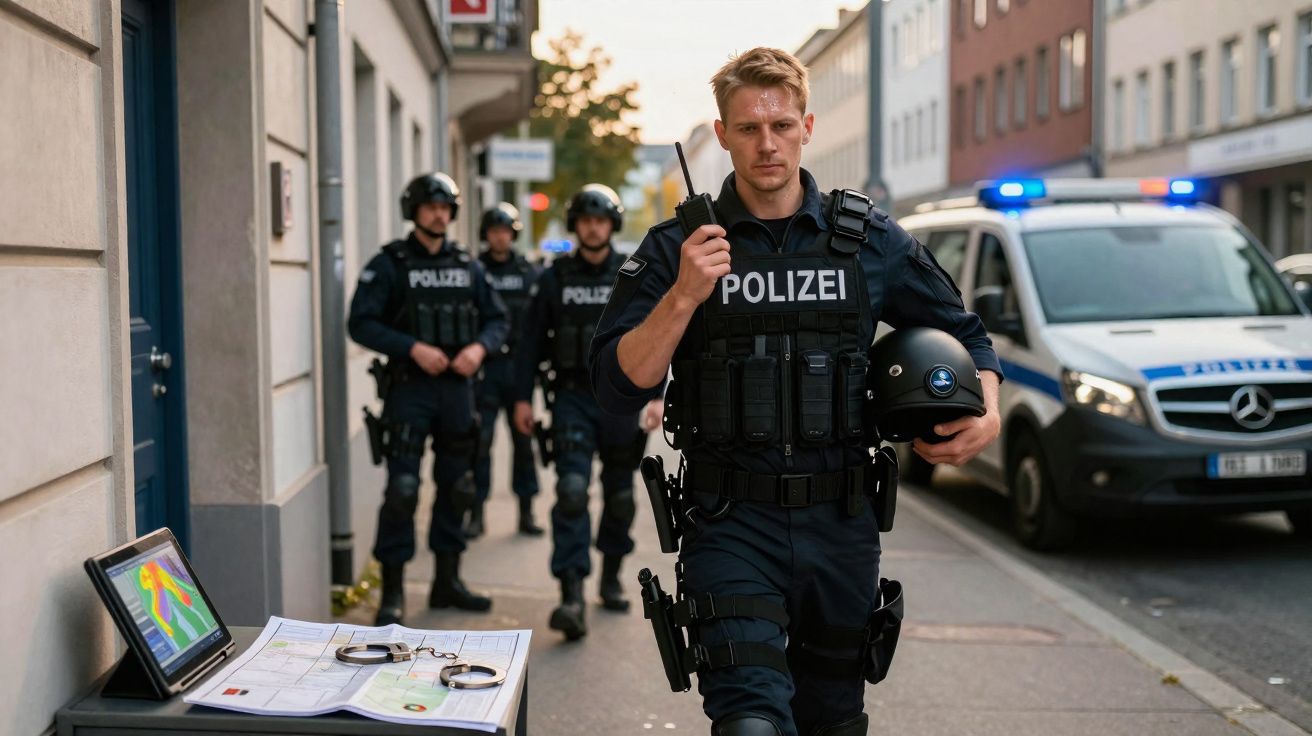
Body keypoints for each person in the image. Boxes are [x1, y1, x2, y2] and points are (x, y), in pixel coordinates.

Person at [588, 49, 1003, 736]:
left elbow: (967, 334)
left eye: (781, 124)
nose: (767, 143)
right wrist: (685, 296)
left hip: (841, 524)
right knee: (751, 721)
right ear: (721, 135)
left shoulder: (867, 240)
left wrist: (984, 411)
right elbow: (613, 386)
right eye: (748, 128)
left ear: (807, 125)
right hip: (729, 523)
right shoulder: (679, 248)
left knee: (831, 721)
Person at [348, 172, 509, 626]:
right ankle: (393, 591)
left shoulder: (467, 265)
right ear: (414, 211)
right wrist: (412, 347)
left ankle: (447, 582)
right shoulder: (391, 263)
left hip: (458, 390)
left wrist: (478, 348)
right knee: (402, 490)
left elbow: (497, 320)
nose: (440, 214)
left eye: (446, 208)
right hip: (409, 391)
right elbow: (360, 323)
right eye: (431, 206)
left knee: (457, 487)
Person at [512, 184, 663, 641]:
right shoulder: (555, 278)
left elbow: (659, 336)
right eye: (585, 220)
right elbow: (530, 342)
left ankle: (611, 574)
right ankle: (571, 594)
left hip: (621, 399)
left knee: (619, 496)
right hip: (573, 398)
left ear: (611, 224)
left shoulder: (632, 274)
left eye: (600, 220)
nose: (593, 227)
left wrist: (656, 395)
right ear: (576, 225)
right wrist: (522, 398)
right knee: (572, 491)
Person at [468, 202, 544, 539]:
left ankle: (526, 511)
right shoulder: (474, 271)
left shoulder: (529, 272)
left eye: (505, 231)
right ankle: (476, 512)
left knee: (524, 443)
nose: (499, 237)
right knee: (479, 444)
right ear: (485, 235)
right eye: (493, 231)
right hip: (485, 369)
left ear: (513, 234)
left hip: (519, 368)